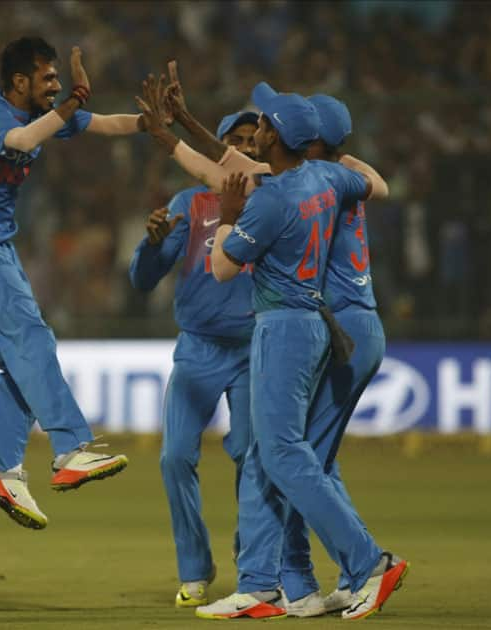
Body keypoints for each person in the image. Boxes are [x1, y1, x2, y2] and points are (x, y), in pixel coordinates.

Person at [193, 83, 407, 621]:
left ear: (282, 138)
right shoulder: (328, 178)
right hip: (320, 321)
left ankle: (367, 563)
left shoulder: (272, 199)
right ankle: (275, 584)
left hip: (286, 327)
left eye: (262, 124)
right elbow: (373, 183)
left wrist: (227, 213)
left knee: (285, 454)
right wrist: (185, 126)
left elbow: (221, 269)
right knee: (283, 455)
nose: (254, 130)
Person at [0, 37, 143, 530]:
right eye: (47, 78)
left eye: (58, 77)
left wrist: (157, 124)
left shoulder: (42, 113)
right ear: (19, 83)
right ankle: (70, 448)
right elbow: (25, 143)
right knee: (31, 339)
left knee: (21, 359)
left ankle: (5, 473)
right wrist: (69, 101)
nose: (56, 85)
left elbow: (107, 124)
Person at [129, 111, 258, 608]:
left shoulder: (273, 203)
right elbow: (142, 280)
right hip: (198, 349)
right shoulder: (191, 203)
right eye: (235, 141)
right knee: (174, 457)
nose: (245, 148)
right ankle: (195, 568)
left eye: (252, 141)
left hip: (253, 352)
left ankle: (252, 564)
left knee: (253, 457)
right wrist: (153, 244)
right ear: (217, 149)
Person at [277, 94, 389, 616]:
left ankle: (366, 566)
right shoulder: (340, 177)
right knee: (313, 460)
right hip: (358, 322)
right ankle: (347, 573)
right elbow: (381, 185)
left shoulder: (314, 182)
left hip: (344, 327)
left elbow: (240, 170)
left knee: (298, 462)